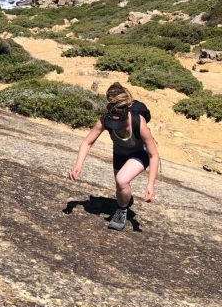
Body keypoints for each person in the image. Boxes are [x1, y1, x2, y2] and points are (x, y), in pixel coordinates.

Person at [68, 82, 160, 231]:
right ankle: (125, 202)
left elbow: (153, 154)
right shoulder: (106, 119)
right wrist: (78, 165)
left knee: (121, 180)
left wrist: (150, 184)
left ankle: (121, 211)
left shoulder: (138, 122)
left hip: (140, 153)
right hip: (120, 153)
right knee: (121, 188)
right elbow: (87, 142)